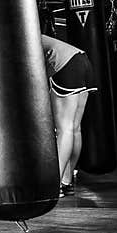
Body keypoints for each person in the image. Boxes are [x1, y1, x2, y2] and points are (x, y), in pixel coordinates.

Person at [42, 34, 97, 197]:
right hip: (83, 61)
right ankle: (66, 182)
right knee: (74, 128)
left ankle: (54, 185)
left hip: (66, 65)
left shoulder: (19, 32)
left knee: (64, 129)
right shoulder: (29, 29)